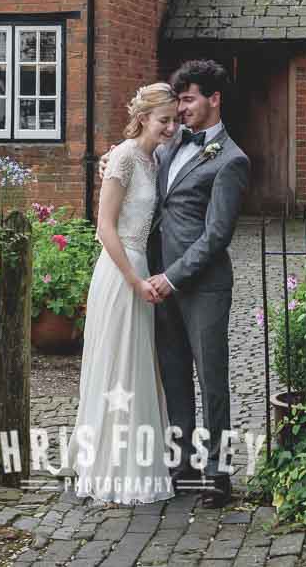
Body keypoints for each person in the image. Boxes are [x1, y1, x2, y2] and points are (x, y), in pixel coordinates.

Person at [69, 82, 178, 504]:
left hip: (141, 270)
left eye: (173, 120)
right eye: (163, 120)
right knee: (116, 364)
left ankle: (137, 461)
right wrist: (134, 281)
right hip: (120, 273)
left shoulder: (152, 159)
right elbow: (104, 228)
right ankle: (111, 469)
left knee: (136, 365)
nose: (170, 127)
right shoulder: (126, 158)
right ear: (144, 117)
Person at [146, 58, 249, 509]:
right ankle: (181, 465)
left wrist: (173, 277)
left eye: (189, 99)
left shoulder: (231, 160)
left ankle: (219, 475)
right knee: (174, 378)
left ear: (214, 98)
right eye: (180, 100)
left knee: (213, 382)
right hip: (159, 282)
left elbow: (216, 235)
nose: (182, 108)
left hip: (202, 287)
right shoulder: (169, 146)